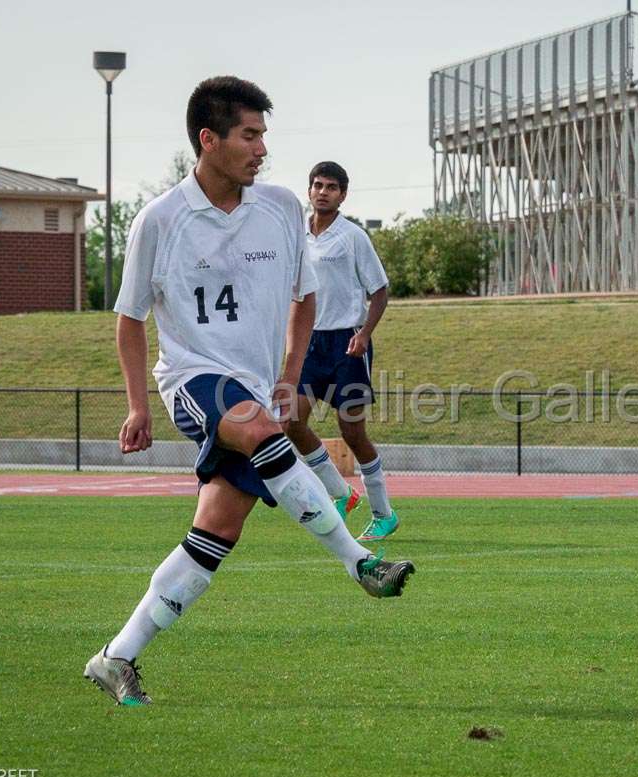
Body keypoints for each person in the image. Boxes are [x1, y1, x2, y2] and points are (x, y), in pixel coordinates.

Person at [83, 76, 414, 708]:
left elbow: (305, 296)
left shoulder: (282, 207)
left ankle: (116, 656)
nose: (262, 149)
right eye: (249, 135)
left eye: (264, 135)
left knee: (215, 531)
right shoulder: (160, 220)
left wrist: (289, 377)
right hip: (193, 380)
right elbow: (129, 319)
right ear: (208, 140)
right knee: (262, 430)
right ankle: (359, 562)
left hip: (259, 388)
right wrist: (137, 406)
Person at [283, 161, 399, 542]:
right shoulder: (296, 235)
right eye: (317, 185)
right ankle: (341, 493)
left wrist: (365, 334)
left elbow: (379, 291)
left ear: (342, 194)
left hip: (347, 343)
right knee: (290, 422)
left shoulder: (353, 237)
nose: (322, 192)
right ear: (309, 189)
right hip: (307, 343)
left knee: (352, 432)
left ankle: (384, 513)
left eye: (331, 187)